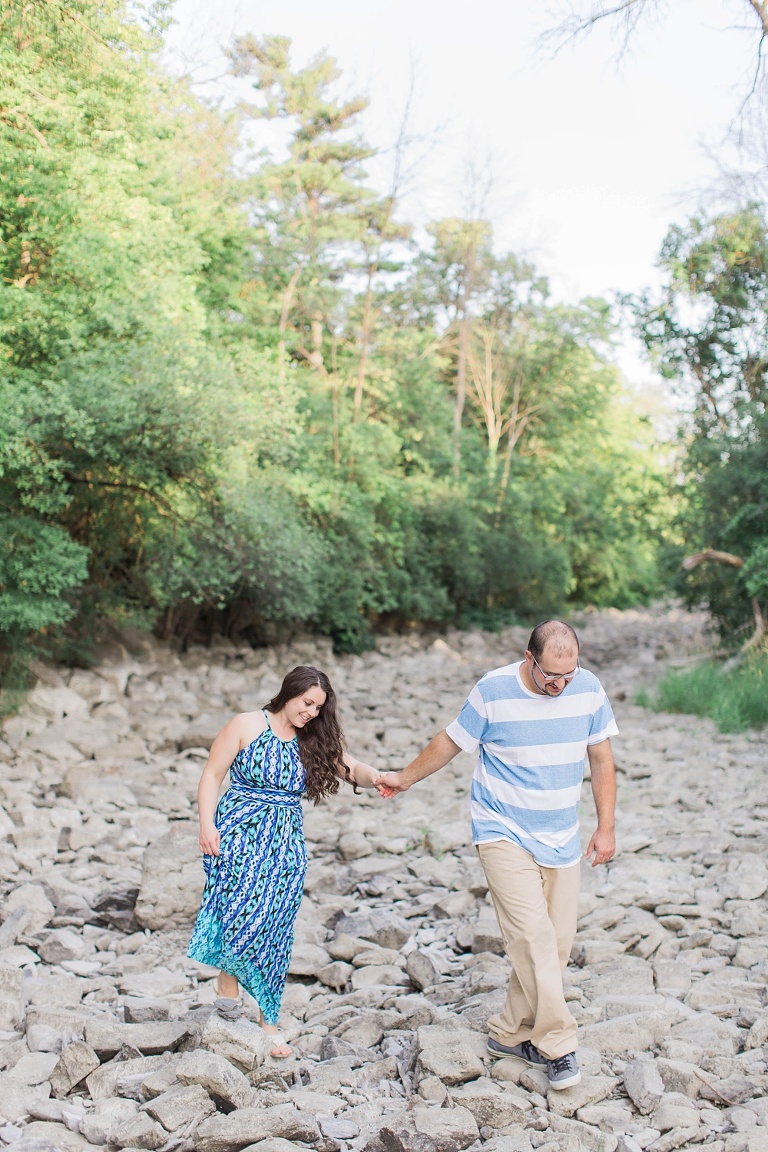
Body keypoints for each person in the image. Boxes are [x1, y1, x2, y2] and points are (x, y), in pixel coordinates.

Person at [377, 620, 618, 1091]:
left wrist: (605, 826)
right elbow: (451, 740)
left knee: (557, 944)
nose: (561, 685)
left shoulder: (587, 688)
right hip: (502, 829)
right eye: (552, 677)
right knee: (531, 937)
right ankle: (559, 1044)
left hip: (562, 834)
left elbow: (602, 758)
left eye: (569, 676)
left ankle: (510, 1032)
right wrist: (404, 777)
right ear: (529, 659)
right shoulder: (494, 689)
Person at [187, 664, 386, 1058]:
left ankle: (266, 1016)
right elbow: (211, 775)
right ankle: (229, 991)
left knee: (275, 924)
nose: (311, 712)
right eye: (307, 702)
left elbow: (351, 768)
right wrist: (206, 825)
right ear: (289, 692)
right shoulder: (246, 724)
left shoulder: (312, 740)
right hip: (240, 831)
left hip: (285, 842)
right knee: (240, 910)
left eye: (318, 707)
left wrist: (380, 776)